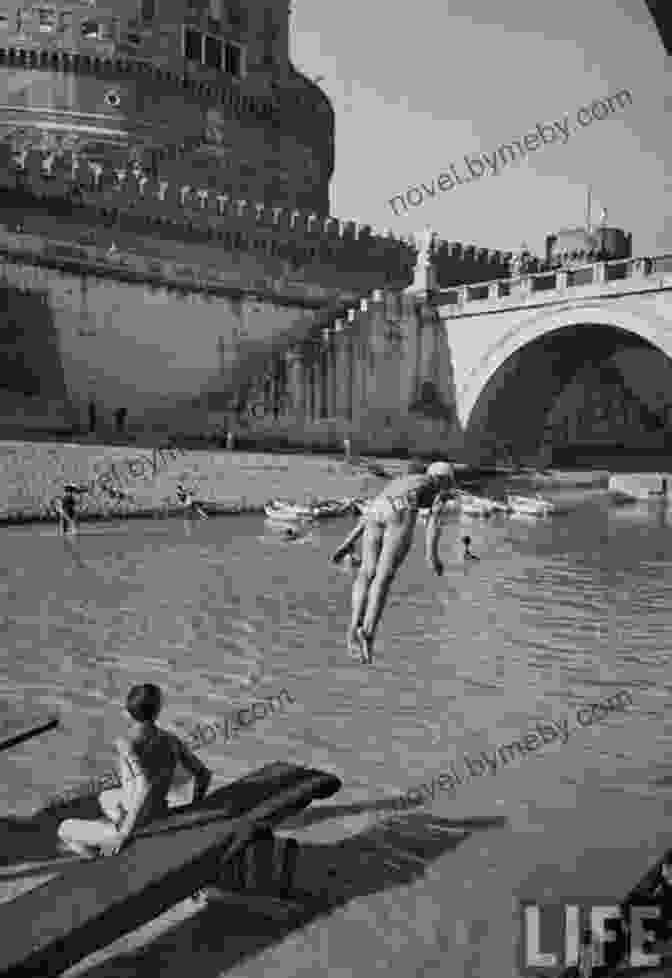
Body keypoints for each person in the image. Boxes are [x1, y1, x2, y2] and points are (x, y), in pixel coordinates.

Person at [57, 683, 212, 858]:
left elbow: (144, 786)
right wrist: (193, 807)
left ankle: (98, 860)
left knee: (64, 829)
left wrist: (124, 834)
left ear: (128, 710)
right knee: (105, 797)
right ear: (158, 710)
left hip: (135, 827)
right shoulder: (172, 740)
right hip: (160, 812)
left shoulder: (127, 743)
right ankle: (112, 826)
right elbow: (204, 775)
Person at [332, 460, 456, 663]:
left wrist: (349, 541)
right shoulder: (438, 489)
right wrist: (432, 557)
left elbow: (371, 512)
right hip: (402, 509)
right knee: (383, 576)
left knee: (366, 572)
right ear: (444, 479)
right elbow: (433, 523)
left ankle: (353, 628)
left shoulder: (403, 480)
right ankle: (368, 632)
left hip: (377, 508)